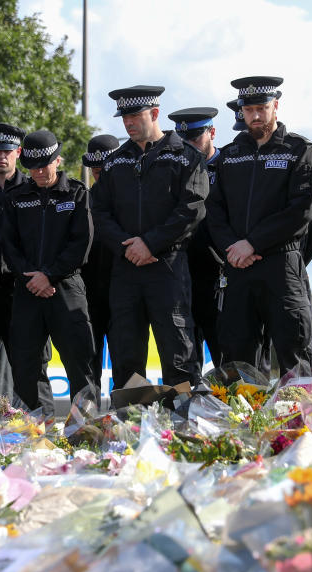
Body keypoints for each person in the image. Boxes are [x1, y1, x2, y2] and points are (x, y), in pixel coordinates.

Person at [90, 85, 208, 388]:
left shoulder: (186, 157)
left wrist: (151, 243)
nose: (128, 123)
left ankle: (181, 426)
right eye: (124, 117)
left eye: (134, 116)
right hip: (126, 268)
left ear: (154, 113)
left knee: (177, 350)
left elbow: (192, 208)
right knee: (126, 351)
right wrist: (127, 246)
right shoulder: (115, 161)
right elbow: (99, 211)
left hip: (167, 266)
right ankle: (130, 428)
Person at [204, 77, 312, 373]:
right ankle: (244, 419)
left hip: (282, 264)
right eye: (248, 109)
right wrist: (232, 247)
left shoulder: (299, 149)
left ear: (275, 106)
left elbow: (301, 209)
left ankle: (303, 417)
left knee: (296, 347)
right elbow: (214, 209)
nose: (254, 116)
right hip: (238, 266)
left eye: (261, 108)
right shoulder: (230, 155)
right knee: (238, 354)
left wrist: (252, 243)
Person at [2, 130, 96, 408]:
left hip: (66, 287)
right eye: (32, 167)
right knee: (26, 366)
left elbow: (81, 244)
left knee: (80, 364)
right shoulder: (16, 197)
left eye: (44, 165)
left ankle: (86, 433)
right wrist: (32, 277)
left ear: (58, 161)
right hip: (27, 288)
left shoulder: (78, 193)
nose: (39, 172)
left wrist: (50, 275)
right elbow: (9, 244)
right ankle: (38, 434)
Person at [0, 123, 54, 411]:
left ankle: (42, 438)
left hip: (24, 290)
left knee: (31, 368)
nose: (1, 157)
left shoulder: (33, 188)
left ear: (18, 152)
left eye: (8, 151)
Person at [167, 107, 223, 370]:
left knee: (225, 353)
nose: (189, 147)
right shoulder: (173, 170)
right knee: (185, 354)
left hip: (220, 273)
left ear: (212, 133)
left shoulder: (228, 167)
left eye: (195, 139)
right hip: (181, 269)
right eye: (183, 141)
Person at [80, 134, 120, 391]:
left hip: (123, 293)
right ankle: (90, 427)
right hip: (91, 294)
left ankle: (127, 426)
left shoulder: (131, 200)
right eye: (95, 170)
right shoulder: (83, 199)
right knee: (88, 365)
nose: (99, 175)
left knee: (125, 364)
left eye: (104, 169)